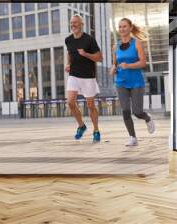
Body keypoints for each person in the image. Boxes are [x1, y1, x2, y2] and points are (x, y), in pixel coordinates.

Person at [110, 18, 155, 146]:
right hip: (121, 82)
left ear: (130, 28)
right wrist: (113, 68)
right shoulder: (115, 46)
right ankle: (133, 138)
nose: (122, 29)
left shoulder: (137, 44)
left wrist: (129, 65)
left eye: (124, 26)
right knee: (125, 110)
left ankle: (147, 118)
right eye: (120, 27)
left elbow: (143, 62)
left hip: (136, 82)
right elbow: (114, 64)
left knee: (137, 112)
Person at [65, 14, 103, 143]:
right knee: (70, 102)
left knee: (91, 105)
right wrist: (68, 64)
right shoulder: (68, 40)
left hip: (88, 76)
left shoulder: (89, 40)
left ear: (82, 25)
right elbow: (69, 53)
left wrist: (85, 54)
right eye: (71, 23)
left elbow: (99, 57)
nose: (73, 25)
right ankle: (81, 126)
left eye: (76, 23)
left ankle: (96, 130)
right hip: (74, 75)